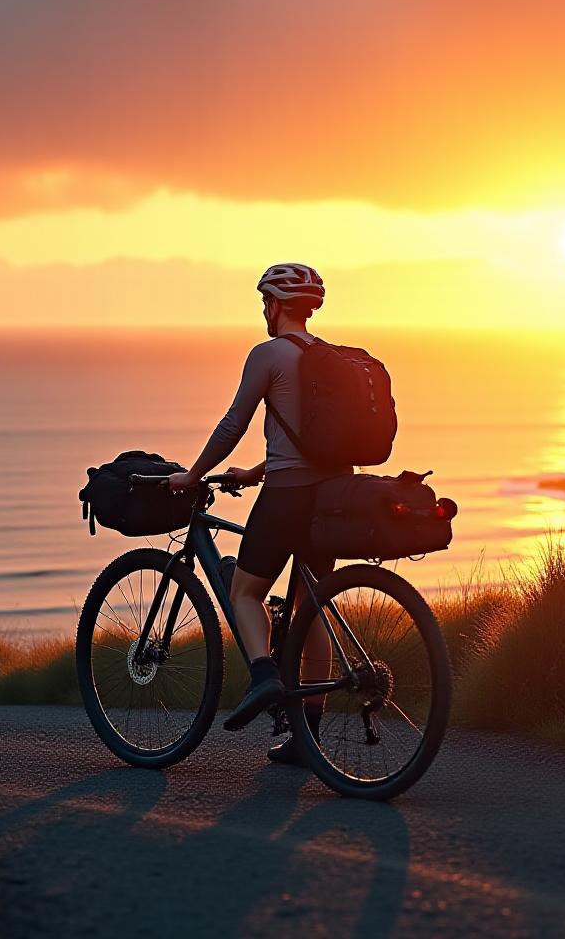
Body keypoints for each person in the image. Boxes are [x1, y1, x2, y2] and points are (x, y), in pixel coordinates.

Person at [166, 262, 348, 763]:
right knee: (310, 609)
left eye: (264, 302)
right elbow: (316, 438)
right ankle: (306, 738)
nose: (263, 312)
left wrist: (193, 473)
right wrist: (259, 469)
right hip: (331, 495)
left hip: (289, 495)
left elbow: (232, 425)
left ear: (276, 305)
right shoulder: (328, 356)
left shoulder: (268, 354)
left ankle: (265, 676)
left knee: (244, 590)